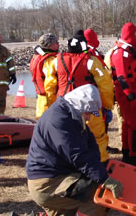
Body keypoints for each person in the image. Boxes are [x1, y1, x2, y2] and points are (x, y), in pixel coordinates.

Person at [26, 84, 122, 216]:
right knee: (97, 197)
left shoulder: (70, 115)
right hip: (48, 183)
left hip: (58, 175)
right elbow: (78, 155)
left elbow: (90, 143)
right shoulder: (58, 120)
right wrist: (103, 179)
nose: (89, 118)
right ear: (80, 106)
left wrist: (97, 168)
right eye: (88, 113)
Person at [44, 30, 114, 163]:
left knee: (67, 137)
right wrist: (106, 105)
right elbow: (105, 85)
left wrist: (52, 106)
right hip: (87, 106)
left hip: (63, 105)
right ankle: (100, 162)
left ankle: (69, 165)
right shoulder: (91, 61)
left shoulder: (55, 61)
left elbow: (49, 86)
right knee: (96, 136)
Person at [108, 22, 136, 170]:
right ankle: (133, 156)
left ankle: (128, 154)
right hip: (129, 94)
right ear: (130, 35)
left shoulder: (129, 49)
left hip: (135, 92)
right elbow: (122, 78)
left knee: (129, 124)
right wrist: (130, 95)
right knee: (133, 125)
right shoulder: (120, 52)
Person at [29, 33, 59, 119]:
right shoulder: (49, 60)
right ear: (49, 45)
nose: (58, 44)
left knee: (41, 123)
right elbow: (50, 83)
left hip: (40, 98)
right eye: (55, 42)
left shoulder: (36, 57)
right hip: (48, 99)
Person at [0, 30, 16, 114]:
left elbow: (10, 61)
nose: (0, 39)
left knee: (1, 102)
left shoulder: (4, 50)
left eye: (0, 37)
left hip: (2, 82)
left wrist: (13, 74)